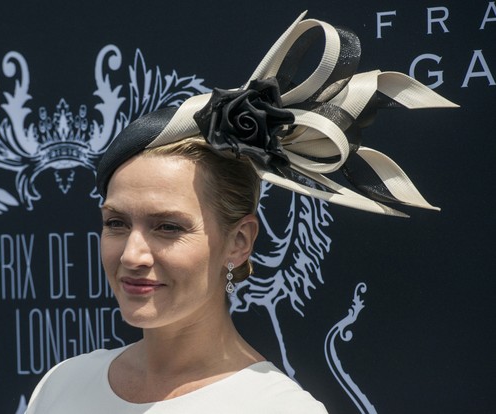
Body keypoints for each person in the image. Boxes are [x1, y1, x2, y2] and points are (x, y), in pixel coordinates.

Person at [26, 12, 455, 414]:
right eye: (116, 223)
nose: (132, 255)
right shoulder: (62, 384)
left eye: (168, 227)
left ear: (240, 241)